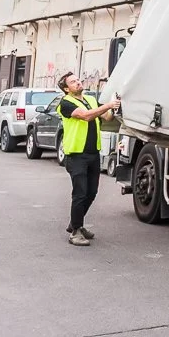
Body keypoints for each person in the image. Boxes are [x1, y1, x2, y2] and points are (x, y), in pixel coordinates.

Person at [56, 72, 119, 246]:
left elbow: (106, 117)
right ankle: (75, 232)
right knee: (80, 193)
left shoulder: (90, 100)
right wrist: (108, 105)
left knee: (91, 192)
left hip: (93, 154)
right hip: (76, 155)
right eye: (73, 82)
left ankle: (76, 224)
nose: (78, 82)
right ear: (66, 89)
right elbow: (86, 116)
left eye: (77, 80)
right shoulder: (65, 103)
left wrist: (114, 107)